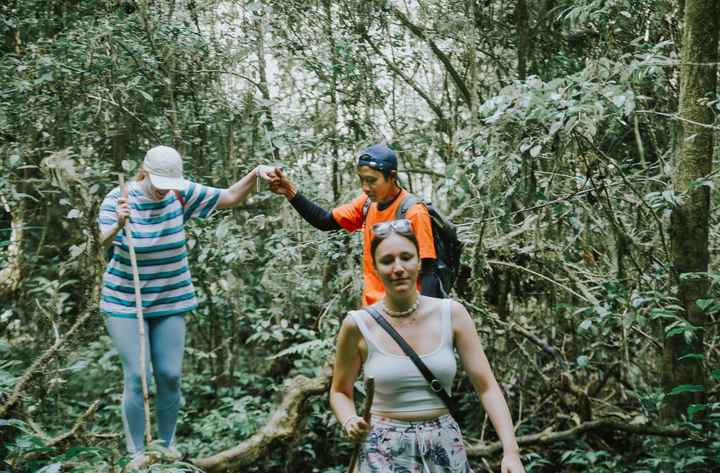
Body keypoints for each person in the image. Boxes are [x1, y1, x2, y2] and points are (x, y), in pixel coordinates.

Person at [98, 145, 270, 456]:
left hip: (170, 298)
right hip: (125, 300)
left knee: (170, 375)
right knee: (138, 375)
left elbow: (229, 196)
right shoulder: (119, 197)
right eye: (161, 183)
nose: (166, 191)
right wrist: (118, 225)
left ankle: (166, 447)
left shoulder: (181, 193)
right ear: (146, 173)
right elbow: (96, 244)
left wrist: (256, 173)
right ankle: (137, 453)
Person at [329, 220, 526, 473]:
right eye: (387, 260)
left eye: (407, 257)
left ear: (420, 262)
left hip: (443, 445)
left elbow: (486, 386)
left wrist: (511, 451)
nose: (398, 268)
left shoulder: (452, 314)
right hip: (381, 451)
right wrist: (349, 420)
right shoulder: (357, 324)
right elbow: (340, 391)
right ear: (375, 267)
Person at [263, 144, 439, 307]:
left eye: (371, 180)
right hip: (373, 311)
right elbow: (324, 221)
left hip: (406, 311)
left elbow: (429, 270)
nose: (365, 187)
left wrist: (424, 316)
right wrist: (288, 191)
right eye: (362, 180)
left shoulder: (414, 212)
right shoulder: (366, 204)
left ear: (392, 176)